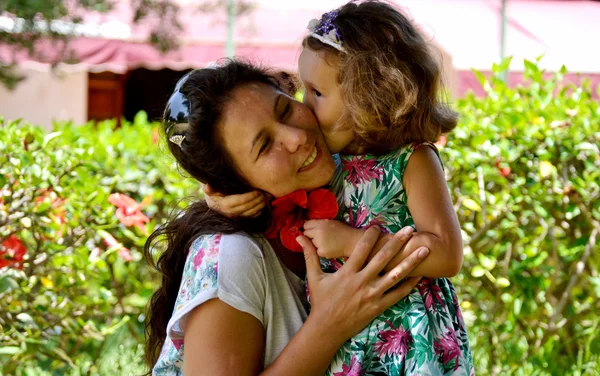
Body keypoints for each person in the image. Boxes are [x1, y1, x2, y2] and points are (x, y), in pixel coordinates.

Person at [206, 1, 475, 374]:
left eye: (316, 93)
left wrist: (351, 243)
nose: (304, 105)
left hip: (410, 338)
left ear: (370, 96)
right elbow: (267, 192)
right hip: (349, 342)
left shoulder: (413, 160)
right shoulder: (323, 165)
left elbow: (447, 254)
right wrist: (219, 199)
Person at [144, 60, 431, 376]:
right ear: (230, 184)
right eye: (265, 145)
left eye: (284, 110)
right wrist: (328, 326)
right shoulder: (229, 256)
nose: (296, 137)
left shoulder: (352, 179)